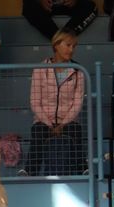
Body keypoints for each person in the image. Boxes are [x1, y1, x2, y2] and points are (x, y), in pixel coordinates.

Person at [26, 29, 86, 177]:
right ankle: (29, 172)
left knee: (75, 131)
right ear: (56, 45)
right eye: (68, 45)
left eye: (74, 46)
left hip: (68, 121)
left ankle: (83, 170)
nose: (71, 50)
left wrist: (63, 124)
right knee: (38, 132)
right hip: (44, 121)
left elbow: (77, 103)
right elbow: (35, 101)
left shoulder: (78, 70)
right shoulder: (40, 69)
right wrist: (49, 123)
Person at [22, 0, 98, 41]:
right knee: (28, 6)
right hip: (45, 5)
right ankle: (59, 40)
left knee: (91, 6)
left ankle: (64, 37)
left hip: (68, 5)